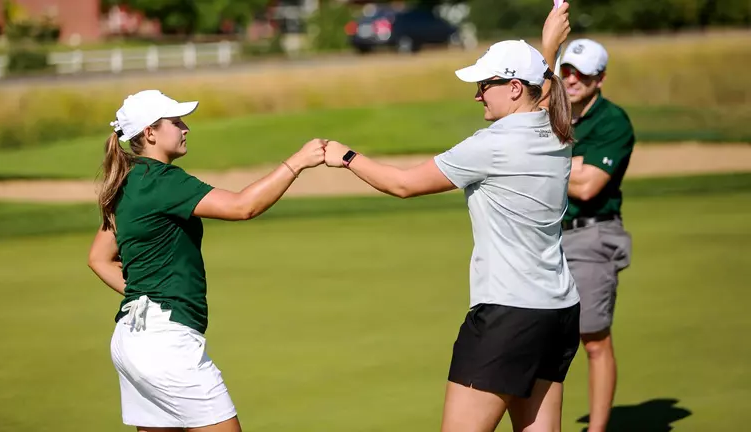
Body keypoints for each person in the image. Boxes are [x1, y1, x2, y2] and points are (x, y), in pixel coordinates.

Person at [321, 6, 578, 431]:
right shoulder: (557, 130)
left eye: (485, 84)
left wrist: (346, 156)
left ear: (515, 87)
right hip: (559, 311)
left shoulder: (491, 145)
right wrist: (549, 47)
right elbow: (548, 92)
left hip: (506, 314)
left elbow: (403, 184)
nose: (478, 94)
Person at [87, 89, 325, 432]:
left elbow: (98, 258)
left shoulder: (129, 180)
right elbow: (243, 207)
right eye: (176, 122)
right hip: (166, 345)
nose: (185, 128)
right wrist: (298, 161)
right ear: (150, 133)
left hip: (132, 337)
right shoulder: (163, 181)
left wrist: (145, 293)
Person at [558, 38, 635, 432]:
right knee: (538, 341)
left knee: (592, 338)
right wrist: (574, 164)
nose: (572, 79)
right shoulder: (551, 115)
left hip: (592, 234)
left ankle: (598, 429)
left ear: (599, 78)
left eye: (582, 74)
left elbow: (588, 187)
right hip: (549, 238)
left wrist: (541, 160)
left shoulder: (612, 121)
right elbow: (579, 174)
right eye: (567, 70)